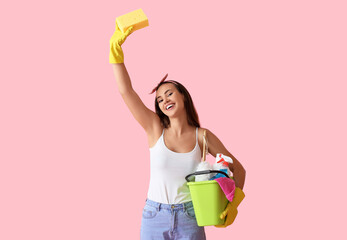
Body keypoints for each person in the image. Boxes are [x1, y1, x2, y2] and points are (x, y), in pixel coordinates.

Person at [109, 24, 246, 240]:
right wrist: (116, 52)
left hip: (190, 217)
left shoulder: (203, 136)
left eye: (169, 93)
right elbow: (126, 91)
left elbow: (239, 169)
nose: (165, 101)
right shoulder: (155, 129)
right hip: (155, 216)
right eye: (159, 100)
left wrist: (232, 202)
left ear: (183, 96)